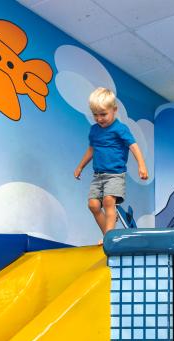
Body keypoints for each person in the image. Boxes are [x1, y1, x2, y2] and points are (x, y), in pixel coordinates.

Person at [74, 87, 148, 239]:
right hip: (98, 175)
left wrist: (142, 165)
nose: (99, 118)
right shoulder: (94, 130)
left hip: (115, 174)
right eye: (95, 115)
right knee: (93, 205)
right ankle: (109, 231)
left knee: (109, 201)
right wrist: (80, 166)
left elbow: (133, 146)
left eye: (103, 114)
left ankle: (109, 237)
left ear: (114, 110)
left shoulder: (120, 129)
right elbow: (91, 150)